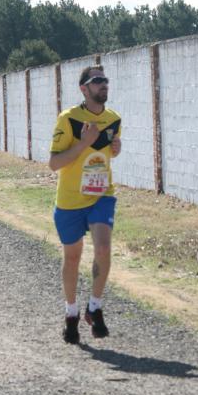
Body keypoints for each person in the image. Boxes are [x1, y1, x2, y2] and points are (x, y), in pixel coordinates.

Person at [48, 65, 121, 344]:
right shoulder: (68, 119)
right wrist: (84, 143)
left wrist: (117, 147)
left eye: (105, 80)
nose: (104, 84)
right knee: (73, 257)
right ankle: (71, 313)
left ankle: (95, 306)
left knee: (103, 247)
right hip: (69, 199)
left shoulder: (114, 119)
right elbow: (54, 163)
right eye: (97, 81)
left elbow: (108, 148)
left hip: (102, 195)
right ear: (84, 88)